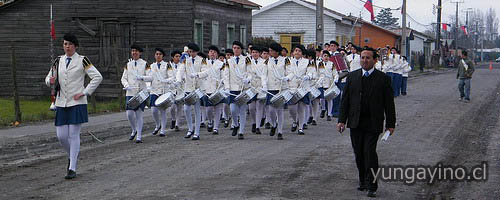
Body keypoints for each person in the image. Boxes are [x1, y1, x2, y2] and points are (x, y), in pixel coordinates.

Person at [337, 47, 396, 197]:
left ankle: (372, 185)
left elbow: (389, 103)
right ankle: (362, 180)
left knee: (369, 153)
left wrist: (390, 124)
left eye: (368, 58)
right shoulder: (352, 77)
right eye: (362, 57)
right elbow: (345, 101)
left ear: (375, 60)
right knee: (358, 153)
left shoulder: (383, 79)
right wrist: (341, 120)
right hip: (355, 122)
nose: (364, 60)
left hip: (373, 122)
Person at [45, 33, 103, 179]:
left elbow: (97, 77)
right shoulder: (58, 61)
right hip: (61, 102)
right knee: (61, 136)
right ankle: (72, 155)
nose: (67, 47)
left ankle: (72, 168)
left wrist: (85, 92)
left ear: (75, 46)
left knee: (73, 134)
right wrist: (50, 81)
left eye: (70, 44)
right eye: (65, 44)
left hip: (77, 102)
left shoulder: (83, 60)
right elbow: (48, 78)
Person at [223, 41, 253, 140]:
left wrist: (248, 79)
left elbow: (250, 73)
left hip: (243, 88)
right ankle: (235, 124)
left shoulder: (246, 59)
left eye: (238, 48)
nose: (236, 50)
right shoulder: (229, 61)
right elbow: (226, 75)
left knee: (242, 110)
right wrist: (227, 87)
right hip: (232, 88)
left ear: (241, 49)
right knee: (232, 109)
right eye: (234, 48)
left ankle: (241, 131)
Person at [176, 43, 205, 140]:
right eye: (190, 52)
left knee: (197, 110)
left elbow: (206, 72)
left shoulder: (201, 60)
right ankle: (190, 129)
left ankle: (196, 132)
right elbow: (180, 71)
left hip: (197, 88)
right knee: (186, 109)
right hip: (188, 88)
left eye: (192, 52)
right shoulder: (186, 61)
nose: (191, 53)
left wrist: (197, 74)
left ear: (196, 52)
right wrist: (178, 80)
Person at [146, 48, 176, 137]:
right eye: (156, 54)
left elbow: (172, 77)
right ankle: (157, 125)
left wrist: (166, 80)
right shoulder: (152, 66)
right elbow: (149, 77)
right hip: (154, 90)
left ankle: (163, 130)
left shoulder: (167, 65)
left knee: (162, 111)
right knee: (153, 110)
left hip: (163, 90)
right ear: (155, 55)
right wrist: (143, 79)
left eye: (160, 54)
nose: (158, 55)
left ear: (162, 56)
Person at [121, 44, 148, 143]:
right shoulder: (128, 64)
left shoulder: (145, 64)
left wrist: (142, 78)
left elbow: (150, 77)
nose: (134, 53)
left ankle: (139, 136)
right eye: (132, 51)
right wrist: (126, 84)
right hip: (130, 92)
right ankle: (134, 129)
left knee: (139, 114)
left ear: (140, 53)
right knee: (129, 114)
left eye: (136, 51)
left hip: (140, 92)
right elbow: (123, 78)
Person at [286, 44, 314, 135]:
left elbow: (311, 72)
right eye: (295, 50)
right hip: (292, 87)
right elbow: (288, 72)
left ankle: (301, 127)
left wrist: (308, 76)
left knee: (302, 108)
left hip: (303, 87)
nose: (297, 52)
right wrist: (286, 78)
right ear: (293, 52)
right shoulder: (288, 61)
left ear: (302, 53)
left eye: (299, 51)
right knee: (291, 108)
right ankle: (295, 121)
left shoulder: (307, 62)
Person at [264, 42, 289, 140]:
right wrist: (265, 85)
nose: (269, 52)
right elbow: (263, 74)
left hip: (281, 88)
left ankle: (280, 131)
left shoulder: (285, 60)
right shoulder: (267, 61)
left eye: (271, 51)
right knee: (271, 110)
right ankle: (274, 124)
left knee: (280, 110)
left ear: (276, 51)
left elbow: (290, 72)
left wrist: (287, 78)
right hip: (271, 88)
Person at [198, 45, 225, 134]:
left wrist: (222, 82)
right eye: (210, 52)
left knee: (218, 109)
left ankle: (216, 128)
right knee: (208, 109)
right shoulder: (205, 63)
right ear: (208, 53)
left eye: (214, 52)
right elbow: (203, 73)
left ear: (217, 54)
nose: (212, 53)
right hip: (207, 89)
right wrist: (197, 75)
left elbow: (223, 75)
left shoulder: (221, 64)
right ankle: (210, 121)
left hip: (217, 89)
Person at [247, 46, 266, 135]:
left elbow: (264, 74)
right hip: (251, 86)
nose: (255, 54)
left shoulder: (264, 62)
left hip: (260, 86)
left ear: (259, 53)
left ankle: (258, 126)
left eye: (256, 52)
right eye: (253, 52)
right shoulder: (248, 62)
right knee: (251, 108)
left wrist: (264, 85)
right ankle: (254, 122)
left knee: (259, 107)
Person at [169, 50, 183, 131]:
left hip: (180, 88)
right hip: (172, 88)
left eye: (179, 56)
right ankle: (173, 119)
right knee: (172, 107)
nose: (178, 58)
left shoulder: (182, 65)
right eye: (176, 56)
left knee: (179, 107)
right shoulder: (169, 65)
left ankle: (177, 124)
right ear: (173, 57)